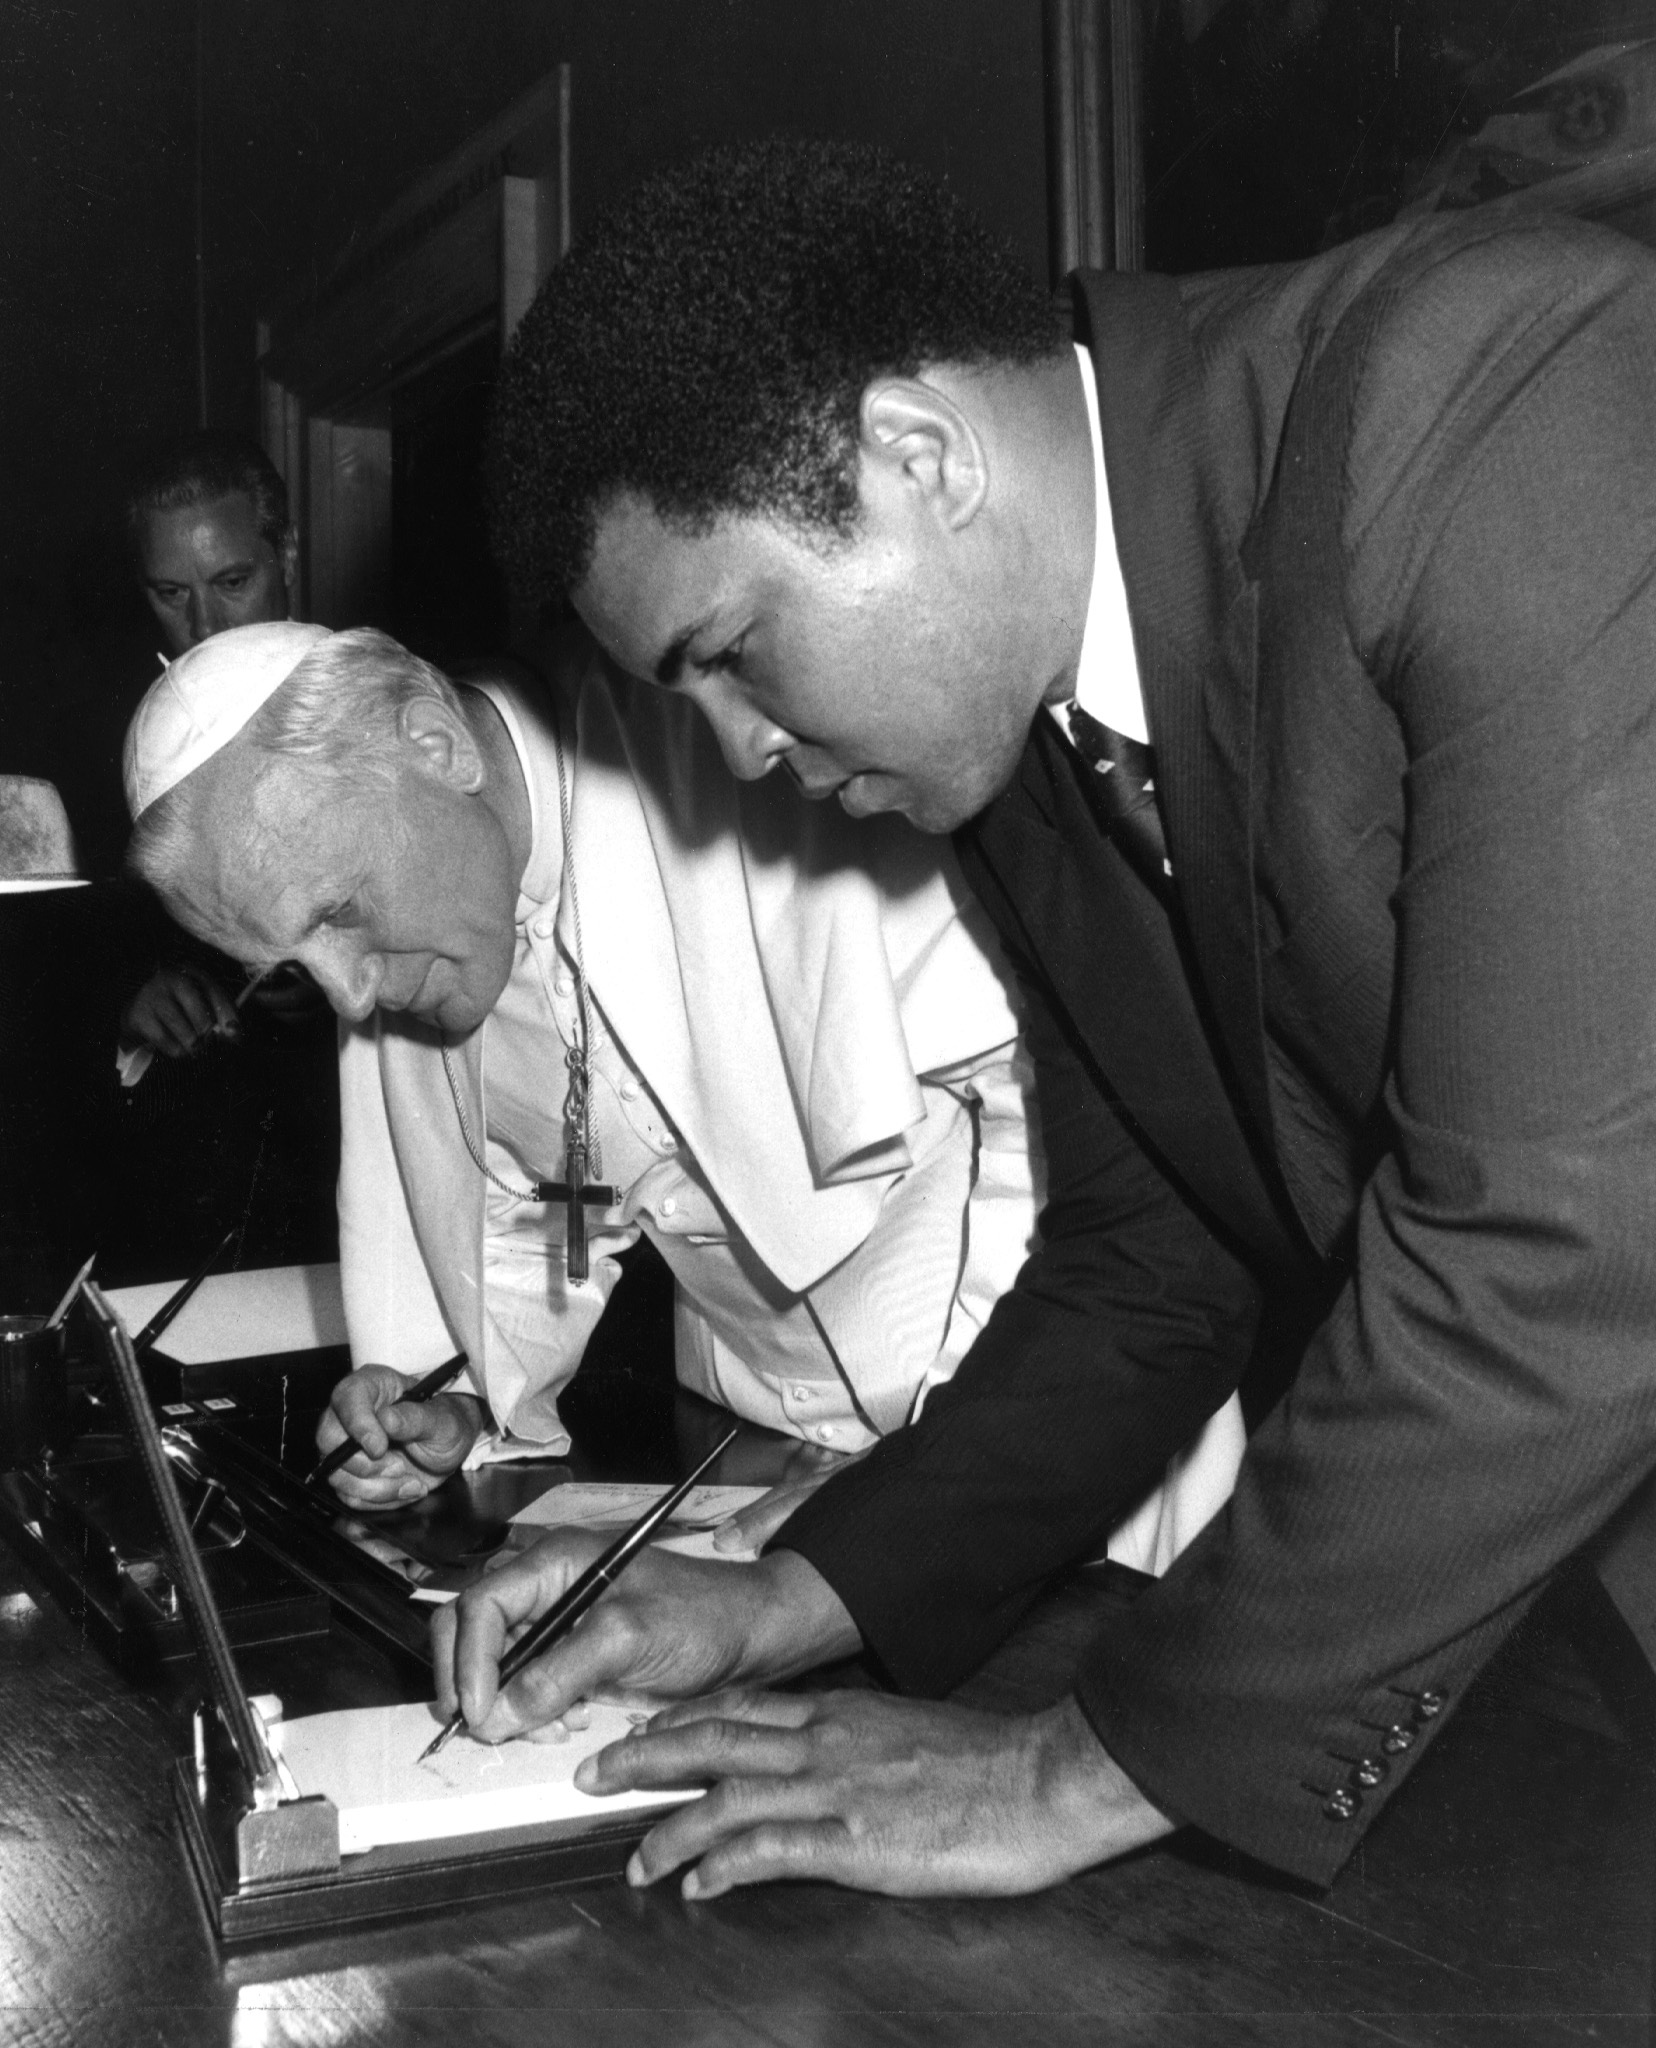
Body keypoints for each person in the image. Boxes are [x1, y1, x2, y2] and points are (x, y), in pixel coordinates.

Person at [429, 136, 1656, 1903]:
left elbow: (1578, 1230)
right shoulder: (1009, 732)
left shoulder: (1497, 399)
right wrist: (786, 1594)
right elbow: (1158, 1254)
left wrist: (1073, 1770)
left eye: (731, 650)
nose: (739, 755)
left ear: (915, 454)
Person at [121, 619, 1244, 1554]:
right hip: (756, 1457)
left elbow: (1044, 1106)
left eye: (337, 911)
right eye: (291, 964)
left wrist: (950, 1455)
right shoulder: (447, 936)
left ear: (434, 744)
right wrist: (467, 1395)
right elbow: (556, 1208)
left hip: (1043, 1434)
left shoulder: (758, 755)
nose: (353, 999)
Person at [121, 431, 308, 1062]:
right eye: (171, 594)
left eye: (232, 581)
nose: (204, 630)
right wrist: (133, 1001)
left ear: (286, 555)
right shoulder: (129, 755)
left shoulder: (391, 707)